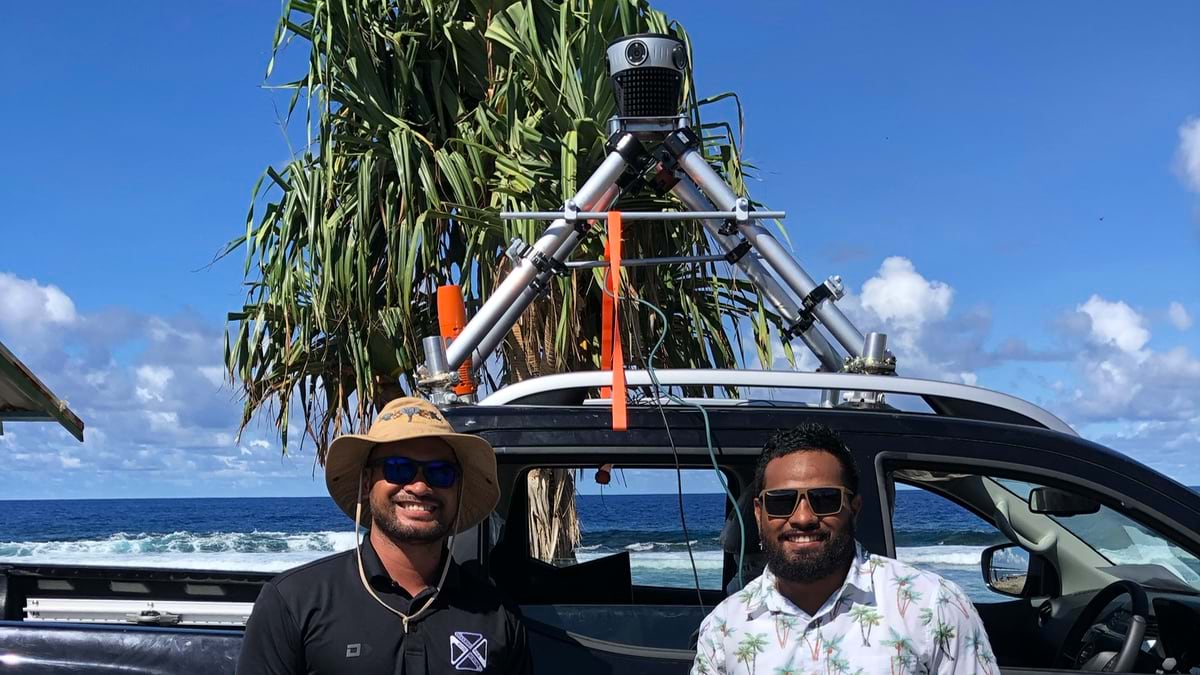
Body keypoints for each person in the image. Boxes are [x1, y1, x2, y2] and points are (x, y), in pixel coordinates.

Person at [238, 396, 532, 674]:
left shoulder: (497, 616)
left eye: (441, 472)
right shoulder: (294, 602)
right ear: (367, 482)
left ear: (458, 488)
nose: (419, 487)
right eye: (399, 468)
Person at [692, 423, 996, 674]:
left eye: (824, 498)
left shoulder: (934, 606)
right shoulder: (722, 628)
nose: (802, 518)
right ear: (760, 514)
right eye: (781, 501)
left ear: (854, 508)